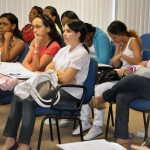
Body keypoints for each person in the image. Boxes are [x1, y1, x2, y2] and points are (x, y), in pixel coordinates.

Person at [1, 19, 90, 150]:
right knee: (19, 94)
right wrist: (60, 74)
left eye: (68, 31)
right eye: (64, 30)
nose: (64, 34)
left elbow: (65, 80)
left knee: (28, 99)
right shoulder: (64, 50)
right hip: (54, 86)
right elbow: (49, 69)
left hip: (70, 93)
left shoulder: (81, 53)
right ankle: (10, 140)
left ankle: (24, 144)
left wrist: (57, 74)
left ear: (78, 34)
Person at [72, 20, 142, 140]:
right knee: (90, 86)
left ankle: (97, 126)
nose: (112, 40)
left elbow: (139, 62)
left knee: (99, 89)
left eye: (114, 37)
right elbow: (115, 63)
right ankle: (85, 120)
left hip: (133, 76)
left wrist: (122, 55)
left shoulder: (133, 41)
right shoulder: (119, 43)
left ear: (120, 33)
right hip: (121, 75)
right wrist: (117, 49)